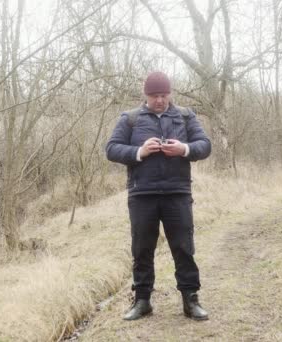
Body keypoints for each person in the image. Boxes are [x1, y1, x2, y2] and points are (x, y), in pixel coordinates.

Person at [106, 71, 212, 321]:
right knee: (142, 249)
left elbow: (204, 145)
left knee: (183, 247)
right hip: (142, 194)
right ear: (146, 95)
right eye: (154, 96)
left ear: (170, 94)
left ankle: (191, 300)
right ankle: (142, 301)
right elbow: (111, 149)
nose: (160, 100)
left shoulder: (186, 116)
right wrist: (139, 151)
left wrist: (184, 149)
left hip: (178, 193)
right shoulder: (130, 119)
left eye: (164, 95)